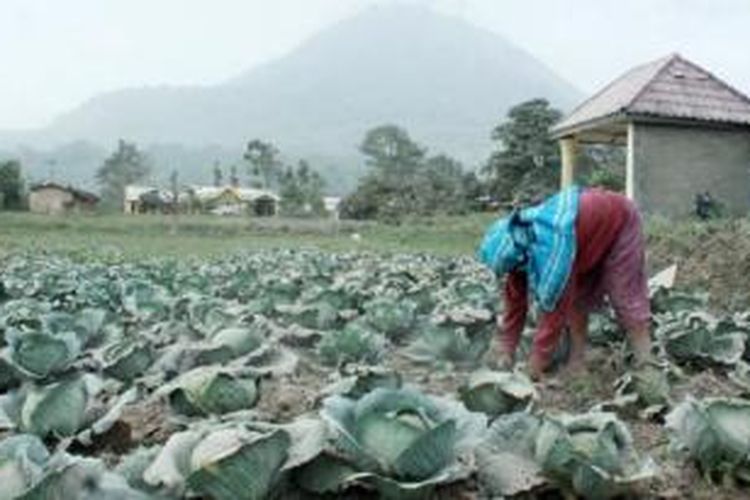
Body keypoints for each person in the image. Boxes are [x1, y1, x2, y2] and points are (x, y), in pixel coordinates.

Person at [476, 186, 652, 379]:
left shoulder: (552, 251)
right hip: (581, 233)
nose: (512, 273)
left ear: (520, 256)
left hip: (620, 219)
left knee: (624, 295)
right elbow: (515, 299)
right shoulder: (520, 242)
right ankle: (577, 363)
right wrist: (506, 348)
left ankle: (647, 363)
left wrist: (535, 365)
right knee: (577, 300)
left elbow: (554, 314)